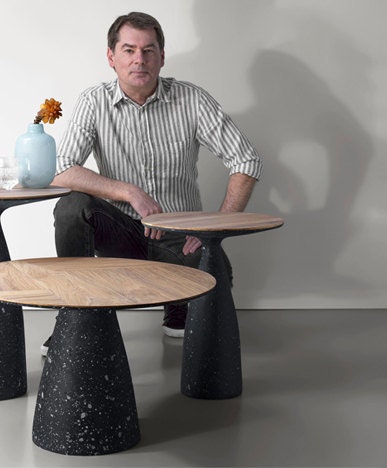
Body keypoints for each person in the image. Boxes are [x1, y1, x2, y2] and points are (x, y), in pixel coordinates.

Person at [41, 12, 262, 355]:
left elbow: (246, 160)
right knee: (71, 206)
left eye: (148, 50)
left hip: (179, 237)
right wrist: (130, 192)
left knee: (217, 277)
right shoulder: (93, 102)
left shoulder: (192, 100)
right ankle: (74, 318)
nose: (139, 59)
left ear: (161, 57)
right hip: (120, 231)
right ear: (111, 57)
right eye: (129, 50)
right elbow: (61, 170)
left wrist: (214, 229)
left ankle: (178, 307)